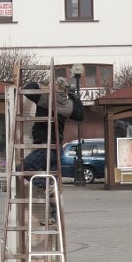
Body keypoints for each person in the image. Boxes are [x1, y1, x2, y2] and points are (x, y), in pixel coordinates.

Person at [22, 77, 84, 222]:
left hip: (45, 147)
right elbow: (80, 115)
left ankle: (48, 185)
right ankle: (54, 216)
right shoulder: (68, 105)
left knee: (24, 168)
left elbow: (27, 88)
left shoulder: (45, 98)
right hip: (57, 148)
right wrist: (75, 99)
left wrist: (39, 84)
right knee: (54, 182)